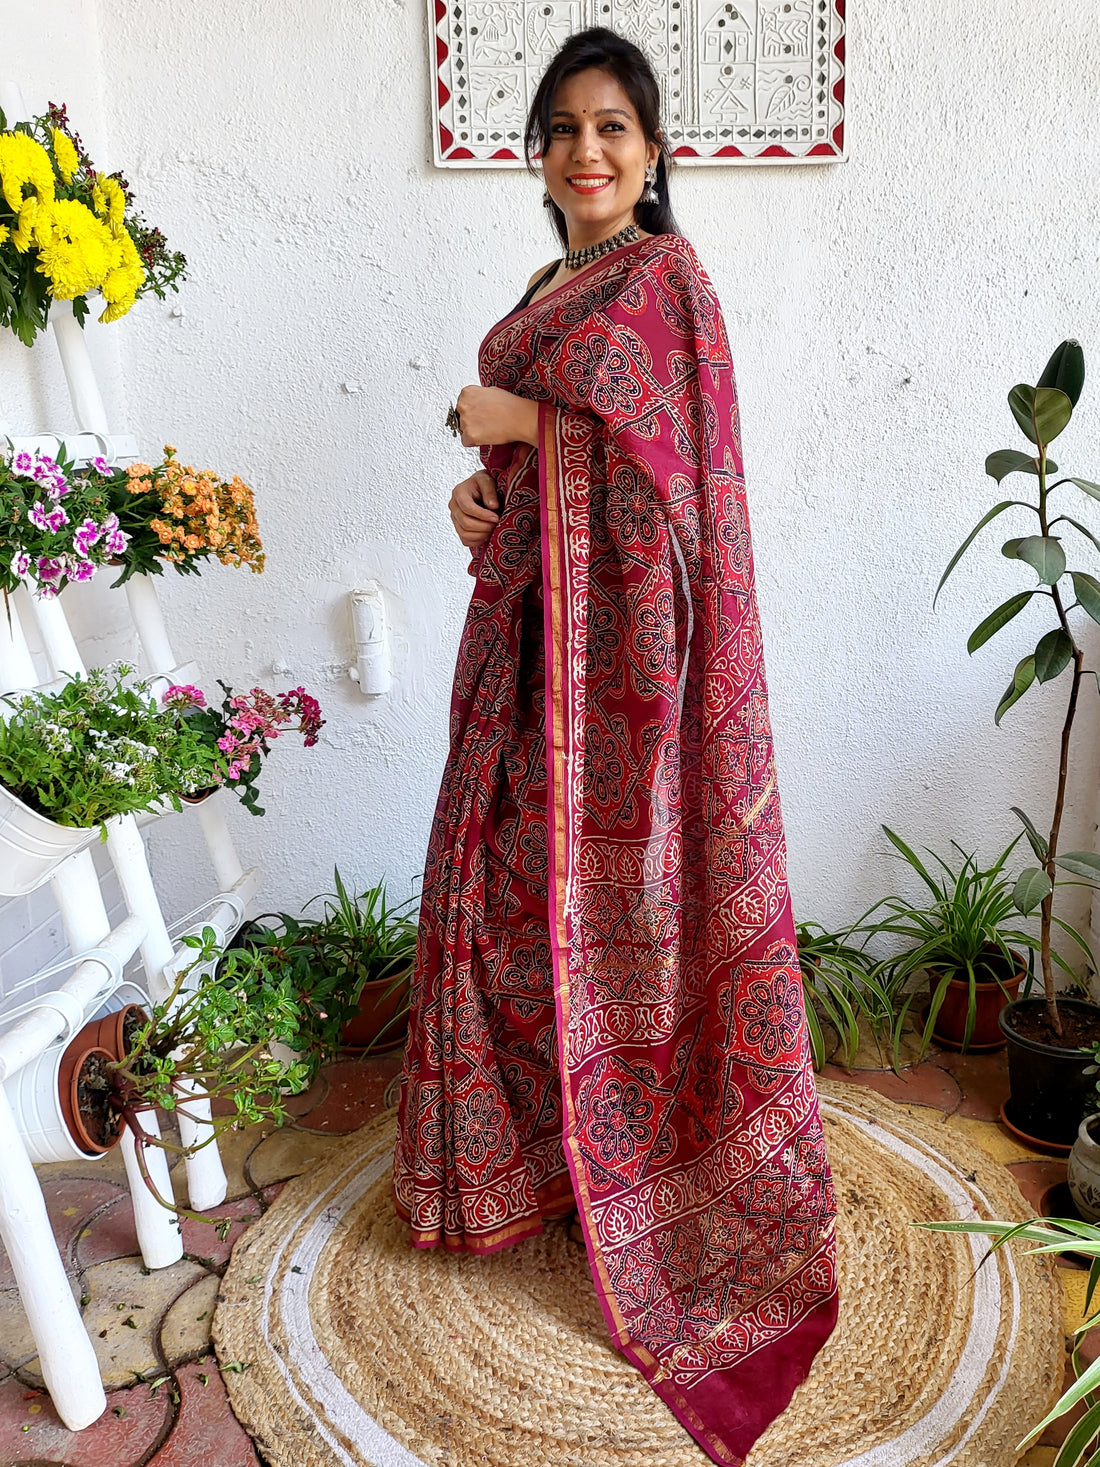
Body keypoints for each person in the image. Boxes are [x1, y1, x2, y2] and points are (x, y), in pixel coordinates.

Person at [393, 26, 838, 1466]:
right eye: (566, 129)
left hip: (627, 691)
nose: (589, 152)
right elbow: (539, 465)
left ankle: (645, 1161)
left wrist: (521, 419)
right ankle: (531, 1167)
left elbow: (673, 506)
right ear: (539, 151)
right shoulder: (552, 285)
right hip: (520, 658)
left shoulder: (669, 285)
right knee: (500, 906)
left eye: (617, 130)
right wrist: (483, 491)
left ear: (652, 157)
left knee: (623, 923)